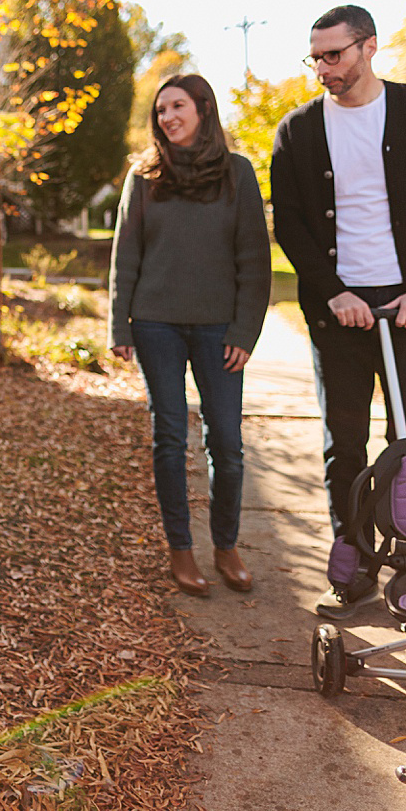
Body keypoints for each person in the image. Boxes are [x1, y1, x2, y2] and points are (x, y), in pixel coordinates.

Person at [271, 4, 406, 620]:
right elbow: (293, 225)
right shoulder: (299, 130)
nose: (323, 68)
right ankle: (354, 558)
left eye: (334, 54)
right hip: (340, 311)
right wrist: (333, 292)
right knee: (345, 441)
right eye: (315, 56)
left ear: (369, 47)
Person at [109, 74, 272, 597]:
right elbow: (125, 255)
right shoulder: (144, 176)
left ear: (203, 108)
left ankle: (225, 546)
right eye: (160, 110)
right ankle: (181, 551)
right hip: (155, 324)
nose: (167, 117)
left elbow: (255, 259)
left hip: (219, 330)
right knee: (170, 438)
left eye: (176, 106)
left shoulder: (238, 173)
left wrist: (245, 330)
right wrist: (119, 325)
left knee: (226, 442)